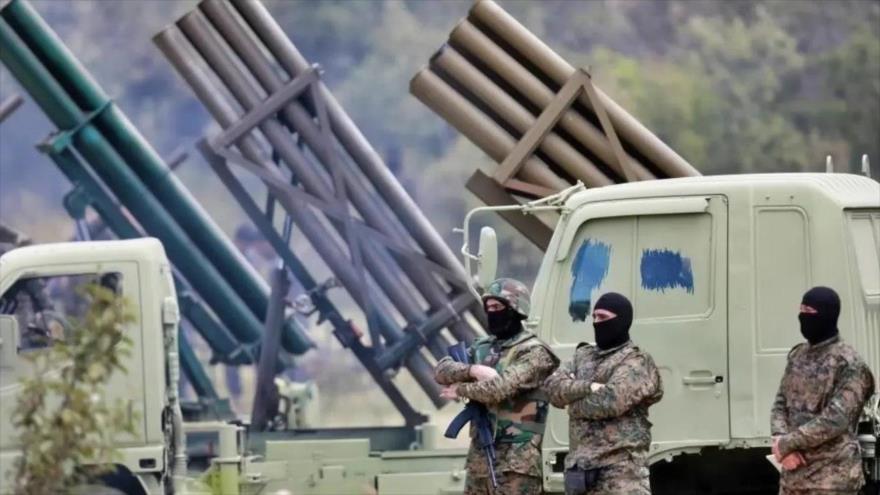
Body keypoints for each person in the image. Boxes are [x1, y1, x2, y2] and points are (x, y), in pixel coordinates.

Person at [435, 278, 559, 495]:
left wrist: (461, 389)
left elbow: (500, 389)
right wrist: (472, 371)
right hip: (480, 460)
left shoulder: (535, 352)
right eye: (488, 308)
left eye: (498, 307)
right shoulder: (481, 347)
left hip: (517, 465)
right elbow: (441, 369)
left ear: (515, 309)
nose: (492, 312)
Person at [544, 292, 663, 495]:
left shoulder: (637, 361)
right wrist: (588, 387)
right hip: (581, 472)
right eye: (595, 317)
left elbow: (611, 401)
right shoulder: (583, 355)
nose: (597, 323)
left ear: (622, 320)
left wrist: (572, 403)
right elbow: (552, 388)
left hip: (621, 475)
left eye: (604, 318)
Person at [770, 286, 875, 495]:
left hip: (832, 480)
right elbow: (781, 402)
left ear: (827, 315)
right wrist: (780, 439)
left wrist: (786, 444)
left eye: (809, 312)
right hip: (793, 477)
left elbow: (835, 420)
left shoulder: (850, 364)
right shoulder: (798, 354)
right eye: (801, 311)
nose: (802, 317)